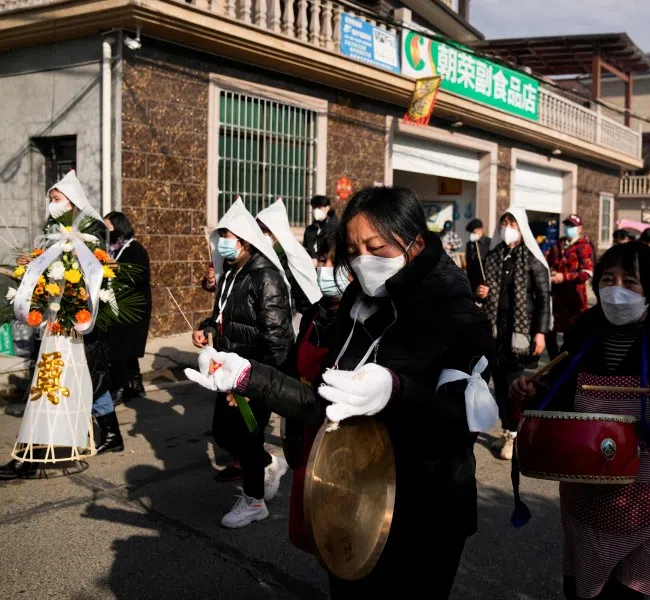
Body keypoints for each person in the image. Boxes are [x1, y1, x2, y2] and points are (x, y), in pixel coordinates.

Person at [186, 186, 494, 598]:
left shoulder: (458, 317)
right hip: (352, 499)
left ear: (416, 243)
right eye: (353, 249)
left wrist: (395, 391)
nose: (363, 259)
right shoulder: (357, 302)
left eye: (376, 246)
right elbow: (322, 402)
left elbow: (459, 426)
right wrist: (248, 376)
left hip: (424, 514)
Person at [510, 241, 650, 600]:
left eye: (630, 281)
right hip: (585, 486)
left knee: (635, 590)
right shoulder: (583, 332)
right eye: (608, 279)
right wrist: (533, 394)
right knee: (584, 587)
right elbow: (561, 400)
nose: (616, 290)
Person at [0, 172, 121, 479]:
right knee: (53, 388)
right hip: (55, 326)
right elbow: (51, 276)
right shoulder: (54, 237)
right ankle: (32, 456)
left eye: (56, 200)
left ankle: (33, 457)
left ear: (72, 202)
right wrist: (32, 274)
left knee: (70, 387)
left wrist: (71, 304)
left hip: (75, 328)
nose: (51, 205)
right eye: (50, 200)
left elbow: (92, 279)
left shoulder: (85, 238)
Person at [192, 198, 294, 527]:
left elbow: (278, 339)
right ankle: (269, 462)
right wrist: (207, 330)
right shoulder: (234, 273)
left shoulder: (265, 277)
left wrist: (255, 384)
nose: (222, 243)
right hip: (228, 370)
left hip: (253, 373)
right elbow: (224, 317)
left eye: (227, 236)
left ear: (244, 240)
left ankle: (254, 502)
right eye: (220, 236)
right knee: (223, 432)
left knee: (248, 435)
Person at [476, 208, 550, 460]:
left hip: (519, 333)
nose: (508, 227)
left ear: (522, 228)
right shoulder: (495, 255)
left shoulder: (531, 259)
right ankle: (508, 428)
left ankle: (515, 434)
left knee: (514, 384)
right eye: (504, 223)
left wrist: (540, 332)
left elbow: (543, 299)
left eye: (512, 223)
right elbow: (480, 287)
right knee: (497, 381)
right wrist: (480, 293)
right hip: (495, 331)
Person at [102, 211, 152, 406]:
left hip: (133, 307)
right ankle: (135, 384)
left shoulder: (134, 250)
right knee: (125, 349)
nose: (106, 230)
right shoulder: (109, 250)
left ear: (119, 226)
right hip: (115, 305)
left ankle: (120, 387)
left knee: (121, 348)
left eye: (108, 226)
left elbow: (139, 276)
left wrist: (118, 270)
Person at [257, 198, 323, 327]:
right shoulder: (260, 257)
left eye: (265, 233)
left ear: (277, 234)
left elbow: (307, 301)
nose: (261, 237)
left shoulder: (295, 261)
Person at [545, 214, 594, 359]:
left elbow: (586, 273)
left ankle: (567, 365)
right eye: (567, 225)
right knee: (549, 331)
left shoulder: (584, 246)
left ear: (579, 228)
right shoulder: (557, 245)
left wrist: (564, 277)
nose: (568, 229)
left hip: (574, 300)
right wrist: (552, 272)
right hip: (556, 298)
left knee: (571, 336)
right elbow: (547, 262)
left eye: (572, 226)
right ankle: (554, 362)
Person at [303, 195, 338, 261]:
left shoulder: (335, 228)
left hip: (328, 267)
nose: (316, 210)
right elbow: (305, 249)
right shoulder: (309, 230)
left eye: (319, 207)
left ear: (327, 208)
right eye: (314, 207)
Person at [464, 218, 490, 292]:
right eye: (471, 232)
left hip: (483, 279)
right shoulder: (469, 244)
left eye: (474, 232)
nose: (472, 234)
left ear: (480, 229)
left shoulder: (489, 243)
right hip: (471, 279)